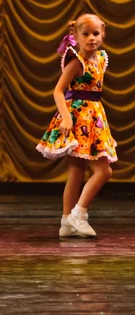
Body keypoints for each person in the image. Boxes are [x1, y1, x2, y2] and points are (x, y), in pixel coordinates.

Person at [37, 14, 117, 238]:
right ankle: (78, 214)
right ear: (76, 36)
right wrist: (66, 117)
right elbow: (59, 90)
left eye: (96, 34)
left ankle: (66, 222)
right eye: (86, 34)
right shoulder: (76, 62)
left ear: (103, 34)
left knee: (77, 171)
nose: (92, 38)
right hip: (77, 118)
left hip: (94, 118)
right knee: (103, 170)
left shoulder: (101, 58)